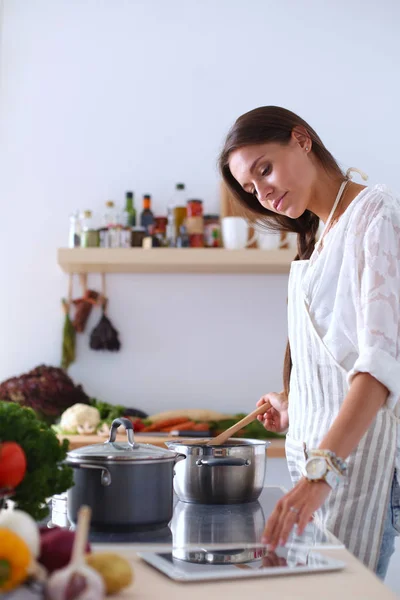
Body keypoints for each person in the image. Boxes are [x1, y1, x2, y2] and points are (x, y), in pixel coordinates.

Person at [218, 106, 400, 578]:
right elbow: (340, 362)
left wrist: (321, 474)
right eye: (252, 188)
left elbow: (380, 368)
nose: (264, 192)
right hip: (328, 469)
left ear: (301, 139)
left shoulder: (374, 215)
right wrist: (295, 402)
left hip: (356, 473)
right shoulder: (321, 236)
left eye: (265, 169)